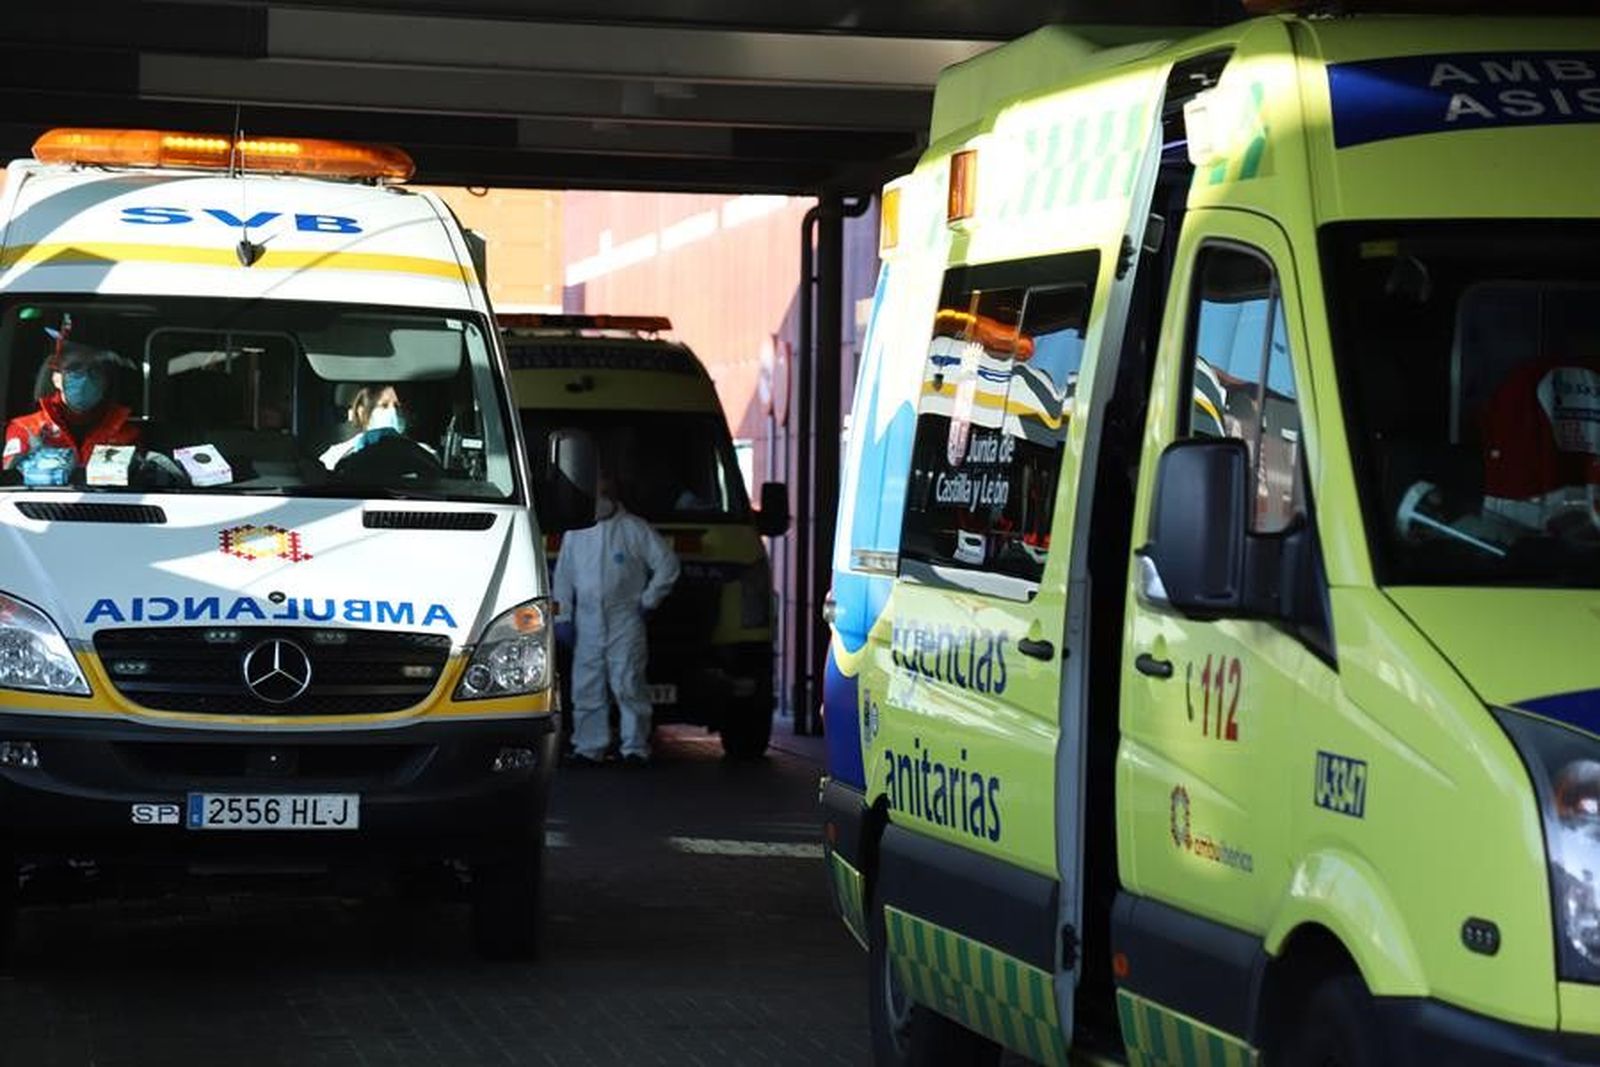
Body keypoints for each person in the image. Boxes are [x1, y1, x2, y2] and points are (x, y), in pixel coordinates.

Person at [553, 472, 680, 766]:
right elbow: (563, 578)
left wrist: (649, 600)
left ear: (613, 495)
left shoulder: (634, 529)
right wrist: (563, 617)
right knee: (587, 686)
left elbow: (667, 565)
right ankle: (588, 748)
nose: (598, 501)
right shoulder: (576, 532)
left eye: (603, 493)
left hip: (625, 619)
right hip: (587, 621)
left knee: (629, 683)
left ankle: (634, 748)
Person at [3, 339, 139, 473]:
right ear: (56, 378)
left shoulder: (125, 433)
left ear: (104, 381)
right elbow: (10, 481)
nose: (85, 378)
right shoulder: (27, 429)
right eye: (75, 369)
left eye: (94, 370)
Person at [319, 384, 410, 469]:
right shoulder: (336, 455)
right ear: (362, 412)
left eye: (397, 406)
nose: (393, 411)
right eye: (384, 405)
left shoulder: (418, 451)